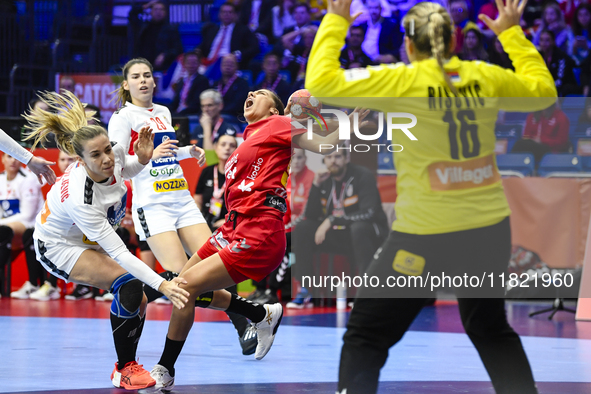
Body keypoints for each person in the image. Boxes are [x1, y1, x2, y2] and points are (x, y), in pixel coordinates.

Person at [306, 1, 557, 393]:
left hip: (425, 235)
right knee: (489, 327)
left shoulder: (403, 79)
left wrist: (336, 19)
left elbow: (320, 83)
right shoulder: (485, 76)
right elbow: (543, 93)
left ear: (408, 44)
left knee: (365, 335)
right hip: (489, 229)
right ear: (455, 39)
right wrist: (511, 33)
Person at [148, 89, 346, 391]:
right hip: (231, 228)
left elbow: (323, 143)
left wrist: (317, 115)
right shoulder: (249, 136)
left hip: (260, 230)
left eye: (262, 93)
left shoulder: (279, 124)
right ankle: (260, 313)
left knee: (185, 289)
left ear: (274, 110)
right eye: (252, 92)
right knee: (182, 284)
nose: (251, 92)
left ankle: (165, 368)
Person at [23, 90, 190, 390]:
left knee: (136, 298)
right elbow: (121, 253)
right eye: (96, 155)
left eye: (107, 150)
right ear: (81, 161)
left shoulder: (114, 156)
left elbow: (127, 169)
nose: (107, 159)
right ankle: (124, 369)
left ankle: (128, 363)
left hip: (86, 239)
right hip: (58, 245)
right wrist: (163, 285)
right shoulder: (81, 197)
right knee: (128, 283)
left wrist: (140, 159)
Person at [108, 57, 257, 356]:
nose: (143, 80)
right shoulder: (122, 118)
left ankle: (151, 291)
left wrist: (189, 151)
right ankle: (246, 316)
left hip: (181, 199)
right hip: (154, 206)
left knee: (218, 264)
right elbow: (119, 168)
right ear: (126, 85)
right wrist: (145, 156)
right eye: (136, 76)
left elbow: (167, 154)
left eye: (147, 75)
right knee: (182, 279)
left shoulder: (163, 111)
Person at [0, 153, 45, 299]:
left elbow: (27, 216)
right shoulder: (0, 179)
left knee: (4, 231)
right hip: (7, 227)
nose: (13, 160)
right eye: (9, 156)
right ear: (3, 159)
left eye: (16, 157)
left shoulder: (28, 179)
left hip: (30, 227)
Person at [194, 134, 238, 230]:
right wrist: (198, 219)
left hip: (230, 226)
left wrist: (229, 221)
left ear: (237, 150)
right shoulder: (207, 171)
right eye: (223, 144)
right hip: (206, 224)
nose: (227, 148)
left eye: (232, 146)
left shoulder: (240, 175)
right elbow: (198, 199)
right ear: (215, 147)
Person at [199, 3, 260, 68]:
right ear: (219, 15)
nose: (226, 14)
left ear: (235, 15)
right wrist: (197, 51)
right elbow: (203, 46)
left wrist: (238, 54)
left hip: (229, 64)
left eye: (230, 12)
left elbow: (254, 47)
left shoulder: (243, 30)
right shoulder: (212, 30)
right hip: (209, 63)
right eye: (224, 12)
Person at [128, 0, 184, 71]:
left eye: (161, 9)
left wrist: (165, 55)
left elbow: (178, 49)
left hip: (163, 67)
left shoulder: (171, 29)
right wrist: (146, 6)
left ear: (165, 13)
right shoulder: (143, 27)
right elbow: (132, 15)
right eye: (155, 9)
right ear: (151, 12)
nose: (158, 12)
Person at [538, 29, 579, 96]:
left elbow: (560, 80)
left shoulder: (561, 57)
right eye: (541, 40)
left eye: (547, 40)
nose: (544, 43)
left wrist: (545, 88)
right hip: (548, 87)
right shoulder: (539, 55)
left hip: (565, 87)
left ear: (553, 41)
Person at [215, 54, 251, 119]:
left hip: (234, 118)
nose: (227, 67)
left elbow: (238, 105)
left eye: (231, 64)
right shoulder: (216, 83)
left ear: (237, 67)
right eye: (225, 64)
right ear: (221, 66)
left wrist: (219, 111)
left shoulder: (242, 83)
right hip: (216, 116)